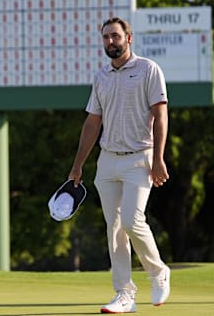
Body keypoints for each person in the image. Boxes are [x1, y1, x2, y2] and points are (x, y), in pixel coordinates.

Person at [68, 17, 171, 313]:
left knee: (130, 220)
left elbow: (161, 115)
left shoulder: (149, 69)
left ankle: (157, 272)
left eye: (115, 36)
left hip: (141, 158)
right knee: (114, 229)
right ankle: (124, 294)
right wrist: (78, 166)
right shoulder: (101, 77)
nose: (110, 42)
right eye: (106, 38)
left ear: (129, 38)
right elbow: (92, 122)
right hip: (108, 161)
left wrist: (159, 158)